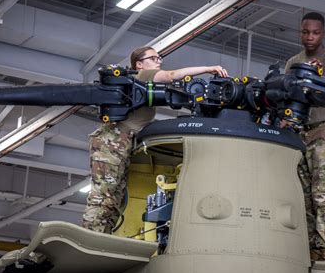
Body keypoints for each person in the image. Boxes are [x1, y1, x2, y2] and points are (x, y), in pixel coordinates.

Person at [82, 46, 229, 233]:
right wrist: (208, 68)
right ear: (140, 64)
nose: (159, 61)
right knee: (104, 195)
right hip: (113, 139)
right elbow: (171, 75)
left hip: (120, 140)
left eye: (159, 58)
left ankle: (100, 236)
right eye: (153, 58)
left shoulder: (143, 84)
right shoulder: (142, 76)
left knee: (115, 197)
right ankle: (89, 234)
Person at [284, 12, 325, 262]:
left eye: (315, 32)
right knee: (305, 198)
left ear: (323, 33)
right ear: (300, 32)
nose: (310, 37)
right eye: (305, 32)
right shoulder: (294, 61)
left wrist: (313, 77)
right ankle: (309, 251)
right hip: (302, 133)